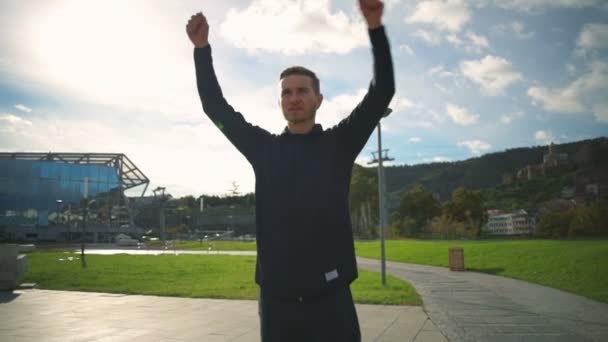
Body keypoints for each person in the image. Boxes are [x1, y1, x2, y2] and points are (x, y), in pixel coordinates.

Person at [186, 1, 394, 340]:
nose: (293, 98)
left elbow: (383, 90)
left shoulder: (339, 144)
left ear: (318, 99)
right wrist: (201, 50)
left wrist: (375, 27)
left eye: (302, 91)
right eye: (286, 92)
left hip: (332, 297)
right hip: (277, 302)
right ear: (280, 102)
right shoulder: (263, 148)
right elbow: (214, 107)